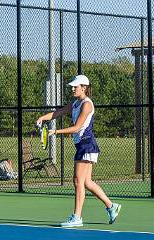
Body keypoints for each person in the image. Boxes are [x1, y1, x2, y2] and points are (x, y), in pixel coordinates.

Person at [36, 75, 121, 227]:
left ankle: (77, 217)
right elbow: (57, 113)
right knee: (87, 182)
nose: (73, 88)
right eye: (73, 86)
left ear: (84, 87)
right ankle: (111, 206)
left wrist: (54, 132)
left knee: (77, 181)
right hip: (82, 145)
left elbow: (76, 128)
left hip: (86, 144)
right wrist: (43, 118)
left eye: (76, 86)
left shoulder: (87, 105)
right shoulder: (75, 103)